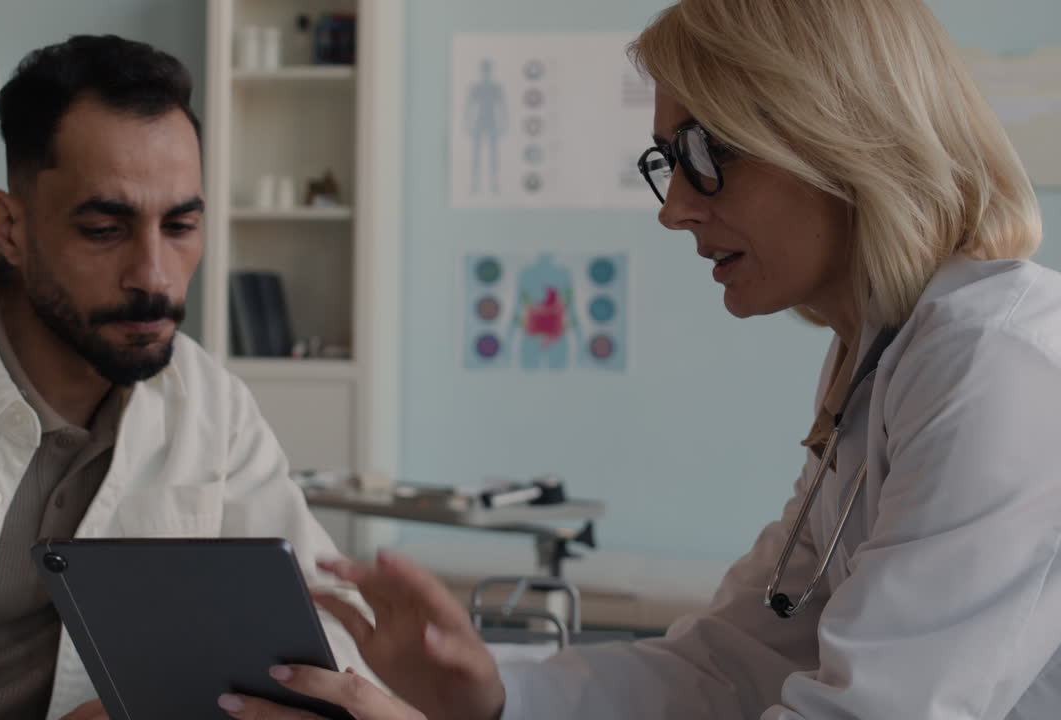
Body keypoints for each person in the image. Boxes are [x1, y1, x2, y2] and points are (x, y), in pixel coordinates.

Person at [219, 0, 1061, 718]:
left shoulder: (996, 366)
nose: (676, 211)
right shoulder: (879, 362)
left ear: (838, 134)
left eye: (705, 156)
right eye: (669, 164)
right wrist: (491, 693)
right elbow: (728, 664)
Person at [0, 35, 371, 719]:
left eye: (180, 225)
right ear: (11, 226)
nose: (154, 275)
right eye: (103, 229)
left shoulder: (212, 408)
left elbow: (325, 640)